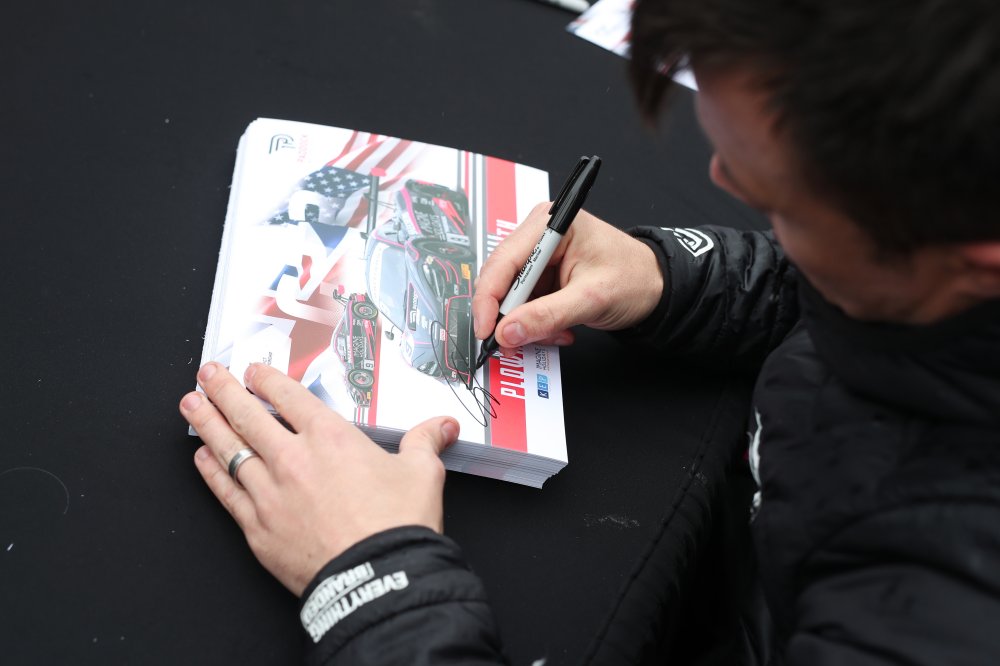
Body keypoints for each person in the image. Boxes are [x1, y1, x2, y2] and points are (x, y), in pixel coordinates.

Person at [179, 0, 1000, 663]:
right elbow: (851, 296)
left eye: (781, 206)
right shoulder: (938, 254)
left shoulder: (942, 616)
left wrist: (377, 590)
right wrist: (672, 278)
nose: (720, 177)